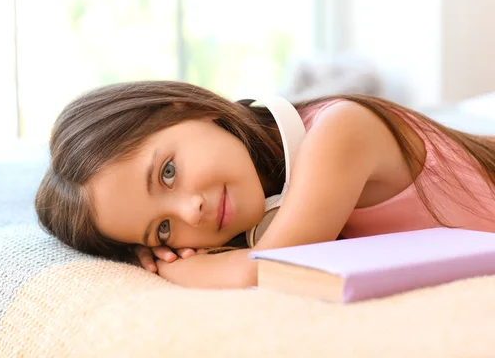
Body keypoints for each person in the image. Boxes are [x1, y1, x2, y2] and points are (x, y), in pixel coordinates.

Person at [35, 80, 495, 288]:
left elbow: (268, 269)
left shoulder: (338, 132)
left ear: (185, 108)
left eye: (168, 172)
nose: (190, 211)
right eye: (162, 230)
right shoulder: (273, 198)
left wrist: (181, 268)